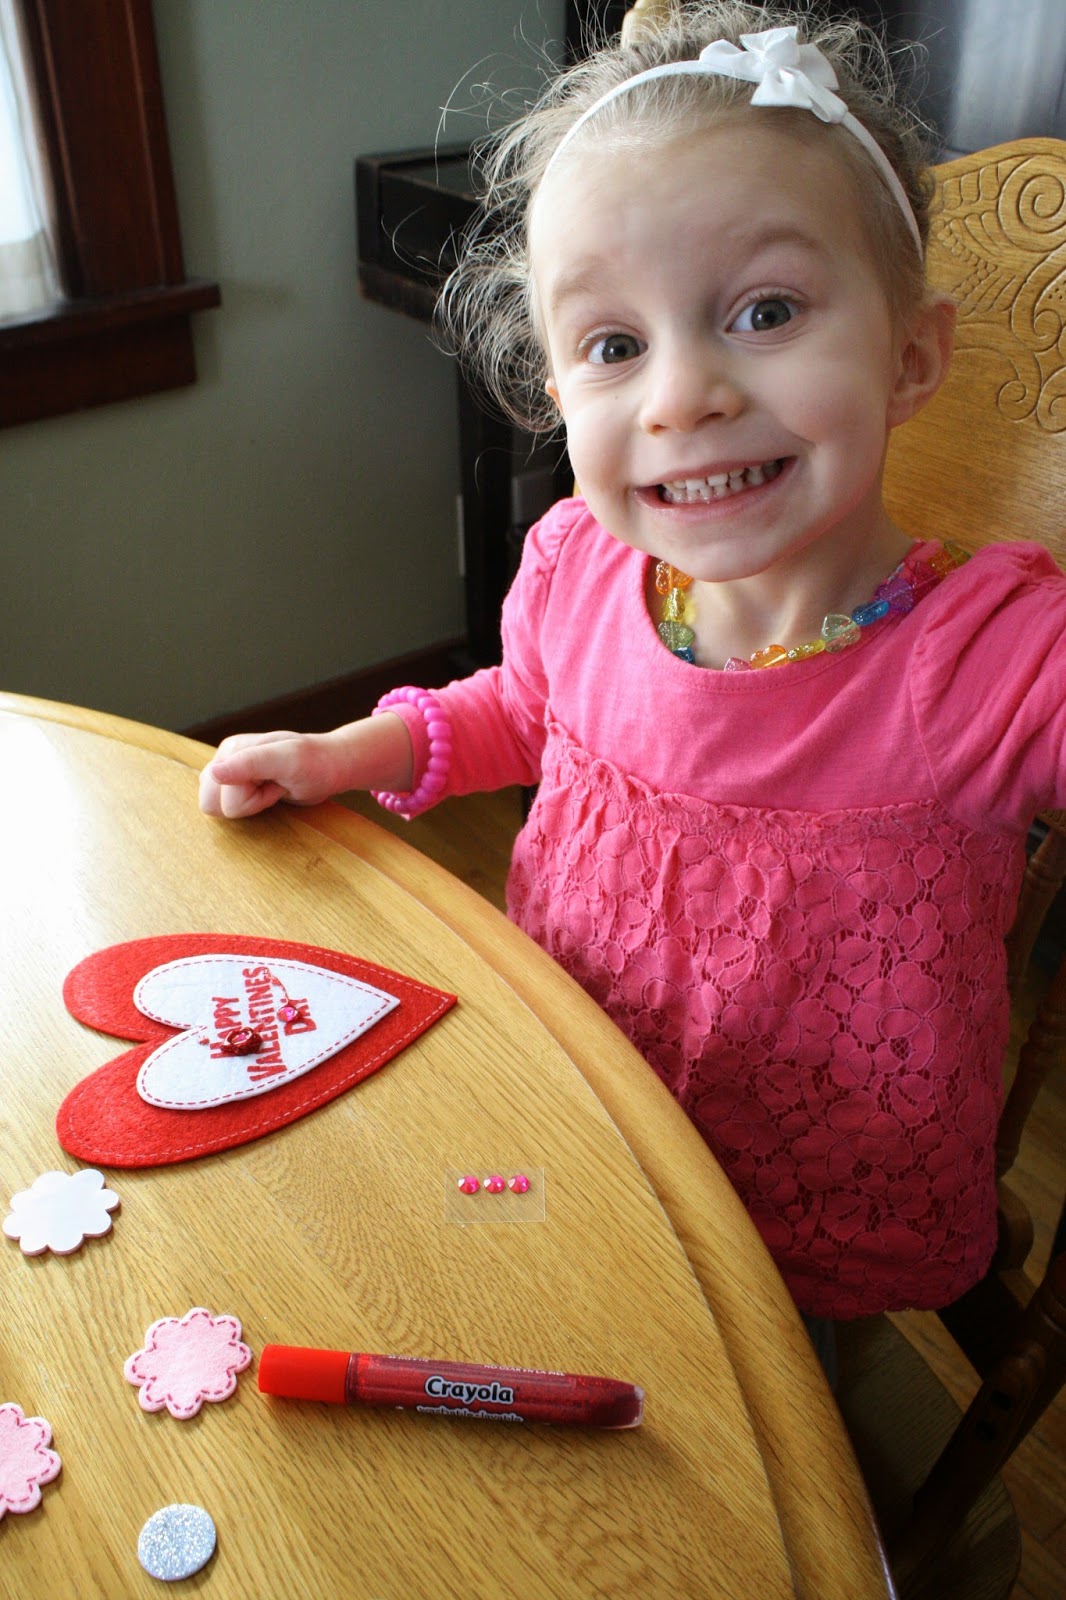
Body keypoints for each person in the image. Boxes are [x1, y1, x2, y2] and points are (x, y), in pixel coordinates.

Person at [200, 3, 1066, 1341]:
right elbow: (523, 710)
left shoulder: (988, 663)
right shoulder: (579, 571)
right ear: (558, 391)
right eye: (615, 346)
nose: (681, 396)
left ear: (911, 358)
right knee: (472, 1304)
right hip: (584, 1120)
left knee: (746, 1440)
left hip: (806, 1227)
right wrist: (342, 755)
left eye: (764, 312)